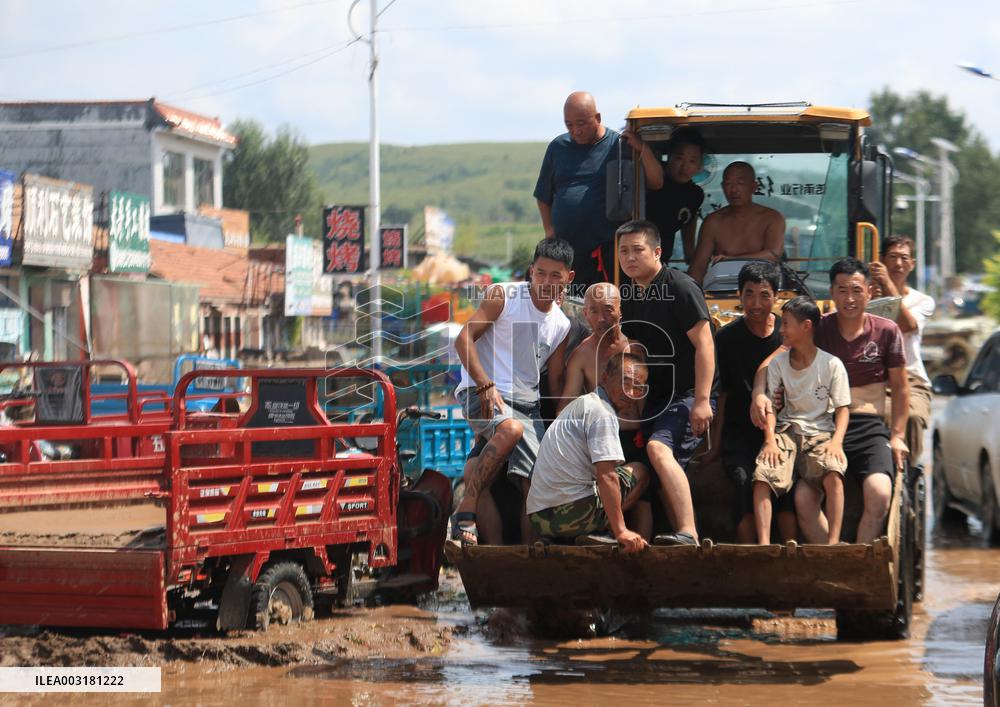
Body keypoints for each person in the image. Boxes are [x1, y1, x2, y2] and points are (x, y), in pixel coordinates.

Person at [753, 258, 909, 544]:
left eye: (856, 290)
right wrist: (759, 394)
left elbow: (900, 389)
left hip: (869, 427)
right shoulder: (818, 328)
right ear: (832, 293)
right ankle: (832, 558)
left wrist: (898, 435)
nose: (849, 299)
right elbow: (773, 361)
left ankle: (860, 560)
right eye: (842, 290)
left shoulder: (887, 331)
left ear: (869, 292)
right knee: (803, 499)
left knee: (880, 492)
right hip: (820, 426)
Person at [451, 238, 574, 546]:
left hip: (527, 405)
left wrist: (563, 422)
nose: (546, 282)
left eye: (555, 276)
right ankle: (466, 508)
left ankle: (529, 555)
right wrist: (485, 385)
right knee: (510, 428)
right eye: (541, 273)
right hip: (480, 393)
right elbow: (463, 339)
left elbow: (556, 380)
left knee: (537, 482)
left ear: (568, 278)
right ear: (531, 271)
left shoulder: (561, 324)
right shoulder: (503, 296)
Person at [617, 219, 717, 546]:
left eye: (637, 250)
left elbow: (705, 344)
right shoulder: (629, 293)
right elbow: (633, 348)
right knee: (636, 465)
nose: (629, 258)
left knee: (659, 449)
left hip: (688, 395)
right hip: (654, 399)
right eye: (623, 251)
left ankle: (689, 532)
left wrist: (702, 401)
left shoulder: (680, 287)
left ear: (657, 251)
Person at [534, 91, 664, 290]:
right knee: (572, 311)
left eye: (581, 123)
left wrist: (641, 148)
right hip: (568, 252)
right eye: (569, 124)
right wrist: (549, 230)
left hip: (607, 252)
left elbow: (657, 182)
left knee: (606, 309)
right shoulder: (557, 147)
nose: (575, 130)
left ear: (597, 118)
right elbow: (543, 195)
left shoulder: (619, 145)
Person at [527, 352, 651, 552]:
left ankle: (570, 534)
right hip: (570, 516)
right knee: (640, 471)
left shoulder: (582, 404)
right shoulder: (602, 413)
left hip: (540, 519)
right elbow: (607, 476)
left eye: (639, 387)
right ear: (604, 378)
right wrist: (621, 531)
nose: (631, 392)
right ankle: (602, 530)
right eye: (625, 382)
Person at [754, 297, 851, 545]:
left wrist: (836, 442)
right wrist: (770, 441)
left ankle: (833, 544)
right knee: (763, 475)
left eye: (786, 324)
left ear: (806, 326)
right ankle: (764, 545)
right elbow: (772, 408)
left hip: (820, 434)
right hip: (786, 432)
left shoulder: (831, 365)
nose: (781, 329)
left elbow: (842, 409)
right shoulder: (778, 363)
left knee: (833, 472)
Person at [705, 261, 789, 544]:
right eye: (749, 294)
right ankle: (750, 555)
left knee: (789, 485)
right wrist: (715, 444)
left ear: (776, 297)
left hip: (784, 429)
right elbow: (723, 394)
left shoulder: (787, 335)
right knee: (742, 480)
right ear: (740, 296)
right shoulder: (726, 338)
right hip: (739, 430)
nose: (756, 303)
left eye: (764, 294)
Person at [868, 236, 935, 461]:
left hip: (911, 379)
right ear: (881, 260)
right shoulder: (864, 296)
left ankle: (907, 475)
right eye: (893, 257)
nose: (898, 264)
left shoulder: (923, 301)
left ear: (912, 264)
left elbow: (908, 325)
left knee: (913, 417)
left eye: (904, 258)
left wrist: (887, 285)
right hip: (871, 378)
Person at [689, 161, 785, 284]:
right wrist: (690, 295)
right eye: (728, 184)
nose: (734, 190)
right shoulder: (713, 222)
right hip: (722, 289)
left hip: (762, 289)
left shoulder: (772, 218)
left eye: (740, 183)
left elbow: (774, 254)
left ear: (754, 186)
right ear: (723, 186)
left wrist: (731, 259)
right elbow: (699, 266)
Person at [558, 282, 633, 412]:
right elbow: (566, 406)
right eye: (594, 311)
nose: (601, 319)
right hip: (600, 427)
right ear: (585, 314)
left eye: (608, 310)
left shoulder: (636, 346)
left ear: (620, 311)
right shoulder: (581, 356)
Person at [645, 127, 706, 265]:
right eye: (679, 158)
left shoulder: (695, 194)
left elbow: (688, 220)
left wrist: (689, 253)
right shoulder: (652, 178)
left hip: (662, 258)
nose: (684, 167)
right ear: (670, 155)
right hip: (638, 254)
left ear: (699, 165)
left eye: (692, 161)